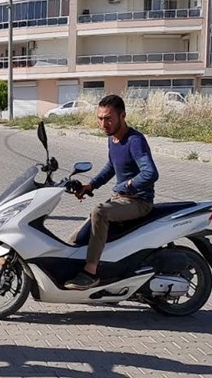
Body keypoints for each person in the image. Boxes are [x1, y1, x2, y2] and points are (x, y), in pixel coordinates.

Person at [66, 94, 159, 290]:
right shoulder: (113, 139)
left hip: (138, 201)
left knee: (99, 211)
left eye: (108, 118)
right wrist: (90, 185)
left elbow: (150, 173)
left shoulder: (135, 140)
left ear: (122, 116)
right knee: (76, 238)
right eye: (100, 118)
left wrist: (127, 185)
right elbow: (112, 166)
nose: (103, 124)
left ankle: (90, 273)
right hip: (121, 199)